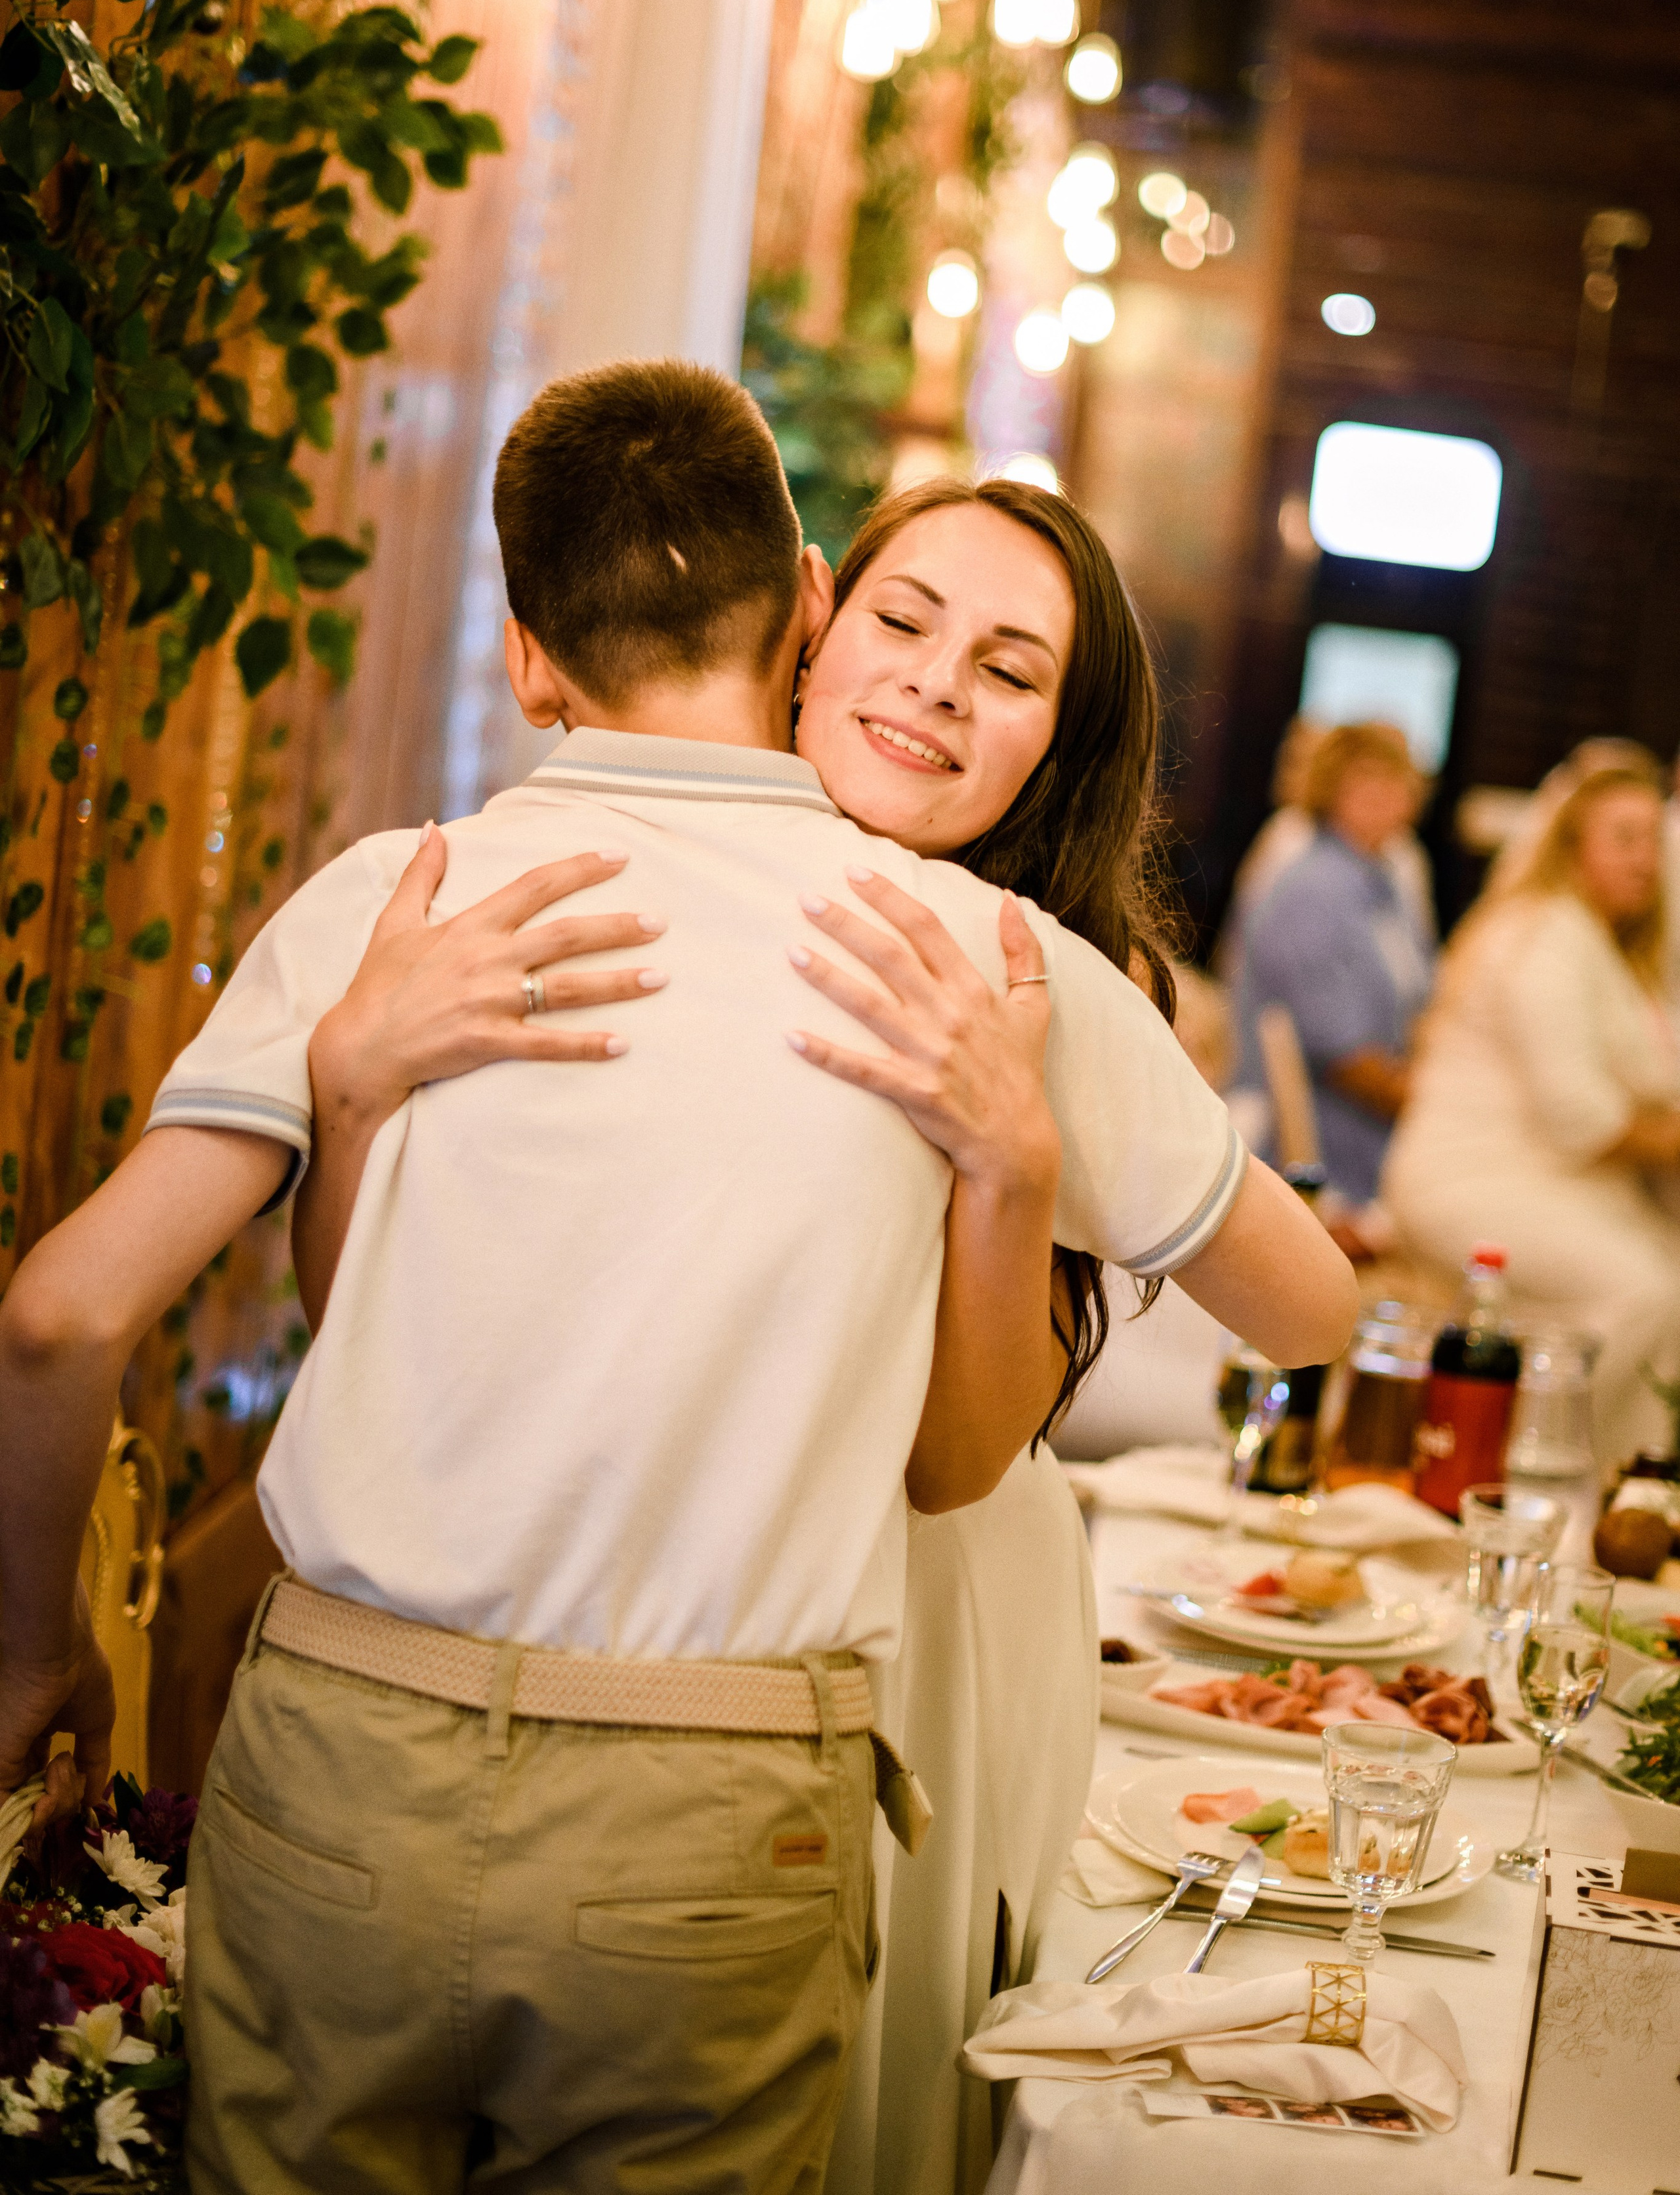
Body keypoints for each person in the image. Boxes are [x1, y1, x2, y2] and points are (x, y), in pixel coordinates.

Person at [0, 369, 1356, 2194]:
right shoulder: (991, 960)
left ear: (527, 655)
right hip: (716, 1773)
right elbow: (1321, 1316)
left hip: (374, 1737)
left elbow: (65, 1313)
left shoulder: (412, 894)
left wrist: (35, 1646)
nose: (937, 685)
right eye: (903, 619)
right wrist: (351, 1084)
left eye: (1013, 670)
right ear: (807, 608)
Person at [1385, 755, 1680, 1465]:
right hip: (1470, 1185)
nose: (1645, 860)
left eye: (1652, 840)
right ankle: (1548, 1468)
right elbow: (1581, 1119)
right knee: (1648, 1291)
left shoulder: (1597, 942)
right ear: (1573, 845)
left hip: (1544, 1178)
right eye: (1624, 838)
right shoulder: (1544, 936)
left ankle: (1623, 1483)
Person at [1235, 722, 1434, 1208]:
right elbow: (1345, 1059)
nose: (1385, 796)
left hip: (1386, 1118)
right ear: (1330, 789)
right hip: (1325, 1146)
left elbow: (1423, 1000)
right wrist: (1441, 1108)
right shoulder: (1314, 891)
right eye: (1366, 780)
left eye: (1396, 781)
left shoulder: (1385, 883)